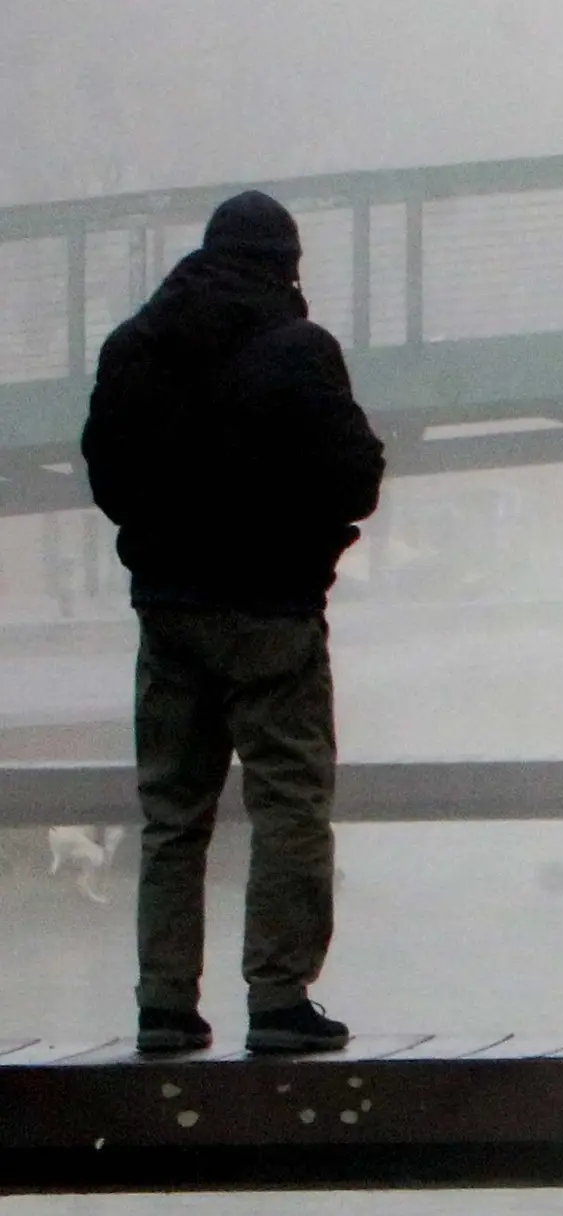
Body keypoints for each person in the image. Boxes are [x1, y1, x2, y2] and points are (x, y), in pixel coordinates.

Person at [80, 191, 385, 1056]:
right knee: (289, 801)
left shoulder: (136, 347)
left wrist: (167, 544)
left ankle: (166, 1005)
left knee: (174, 813)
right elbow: (356, 473)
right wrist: (303, 534)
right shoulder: (299, 351)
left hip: (170, 615)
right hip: (273, 613)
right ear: (286, 265)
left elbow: (108, 474)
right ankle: (280, 998)